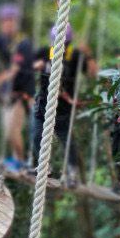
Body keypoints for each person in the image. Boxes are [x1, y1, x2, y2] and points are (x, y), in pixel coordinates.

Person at [32, 24, 97, 178]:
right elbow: (28, 66)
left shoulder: (75, 57)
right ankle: (43, 167)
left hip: (63, 108)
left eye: (65, 44)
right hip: (43, 103)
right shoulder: (44, 53)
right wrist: (37, 65)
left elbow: (94, 73)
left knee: (66, 139)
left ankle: (72, 171)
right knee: (37, 135)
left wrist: (88, 55)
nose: (61, 46)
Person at [0, 4, 33, 175]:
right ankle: (16, 158)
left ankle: (21, 162)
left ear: (15, 23)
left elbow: (15, 70)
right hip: (8, 92)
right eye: (4, 21)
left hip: (21, 93)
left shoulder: (22, 43)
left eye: (9, 21)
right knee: (8, 132)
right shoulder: (3, 39)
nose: (6, 25)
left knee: (13, 131)